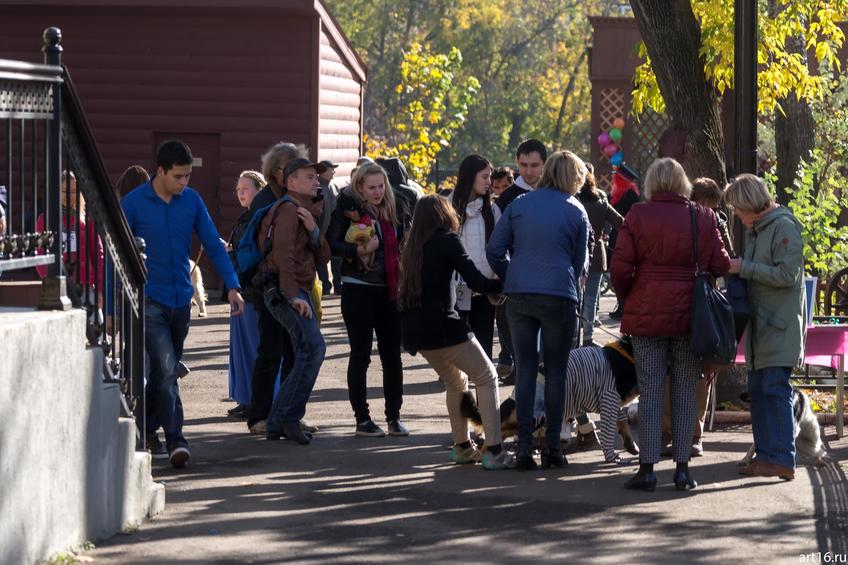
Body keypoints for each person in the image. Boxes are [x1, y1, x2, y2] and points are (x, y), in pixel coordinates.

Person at [121, 140, 245, 468]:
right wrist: (112, 306)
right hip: (148, 299)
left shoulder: (191, 201)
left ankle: (146, 428)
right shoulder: (133, 204)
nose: (184, 183)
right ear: (160, 171)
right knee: (165, 369)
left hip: (181, 300)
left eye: (188, 176)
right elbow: (116, 253)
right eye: (178, 176)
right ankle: (177, 438)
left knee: (167, 370)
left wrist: (231, 286)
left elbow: (213, 244)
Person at [611, 158, 730, 491]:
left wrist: (630, 296)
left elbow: (620, 268)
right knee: (684, 390)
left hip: (647, 312)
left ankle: (647, 469)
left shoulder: (637, 215)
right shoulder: (703, 217)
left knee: (649, 391)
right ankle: (681, 470)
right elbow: (720, 263)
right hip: (689, 316)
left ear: (651, 182)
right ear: (683, 183)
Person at [487, 150, 591, 471]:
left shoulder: (518, 205)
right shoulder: (577, 211)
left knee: (526, 368)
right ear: (573, 177)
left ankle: (523, 447)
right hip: (559, 295)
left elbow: (494, 249)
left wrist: (511, 273)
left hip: (520, 294)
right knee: (557, 371)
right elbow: (581, 263)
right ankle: (553, 448)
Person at [399, 195, 515, 469]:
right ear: (444, 214)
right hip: (445, 326)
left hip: (418, 331)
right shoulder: (448, 240)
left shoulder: (413, 245)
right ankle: (495, 450)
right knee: (487, 376)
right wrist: (505, 284)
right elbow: (475, 279)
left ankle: (462, 446)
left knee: (456, 383)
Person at [726, 174, 804, 481]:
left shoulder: (784, 227)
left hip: (779, 327)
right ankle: (768, 456)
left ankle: (782, 458)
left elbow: (788, 275)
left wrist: (744, 267)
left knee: (774, 390)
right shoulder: (759, 231)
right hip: (764, 328)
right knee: (760, 391)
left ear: (749, 204)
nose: (735, 214)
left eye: (737, 208)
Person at [327, 162, 407, 437]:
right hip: (358, 287)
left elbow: (405, 243)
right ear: (360, 187)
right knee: (360, 355)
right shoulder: (347, 208)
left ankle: (394, 416)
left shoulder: (396, 208)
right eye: (371, 187)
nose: (377, 192)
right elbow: (331, 243)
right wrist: (360, 248)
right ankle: (362, 419)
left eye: (381, 186)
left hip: (390, 289)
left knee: (392, 356)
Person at [258, 158, 330, 445]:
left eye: (316, 177)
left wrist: (313, 228)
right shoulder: (288, 210)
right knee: (313, 349)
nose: (316, 181)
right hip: (285, 290)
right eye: (310, 177)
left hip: (296, 289)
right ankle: (288, 417)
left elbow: (323, 256)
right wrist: (293, 295)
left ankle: (278, 421)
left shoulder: (304, 212)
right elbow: (283, 256)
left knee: (306, 351)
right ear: (291, 182)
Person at [661, 176, 733, 457]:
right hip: (696, 304)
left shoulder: (711, 221)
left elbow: (724, 260)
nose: (707, 210)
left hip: (683, 302)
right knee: (694, 372)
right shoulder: (706, 221)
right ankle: (689, 434)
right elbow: (725, 262)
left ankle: (677, 433)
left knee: (683, 370)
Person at [246, 142, 310, 435]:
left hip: (293, 283)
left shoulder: (298, 199)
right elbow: (273, 249)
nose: (297, 172)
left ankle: (286, 414)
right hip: (269, 286)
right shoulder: (265, 200)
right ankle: (258, 416)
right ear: (276, 172)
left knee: (294, 353)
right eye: (290, 168)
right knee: (270, 351)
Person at [451, 154, 501, 359]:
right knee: (458, 344)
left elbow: (500, 248)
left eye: (490, 177)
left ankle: (484, 389)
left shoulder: (493, 210)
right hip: (456, 289)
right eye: (484, 177)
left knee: (484, 347)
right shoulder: (448, 206)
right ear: (470, 176)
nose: (489, 182)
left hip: (485, 288)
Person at [226, 170, 267, 419]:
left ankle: (255, 399)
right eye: (238, 189)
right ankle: (244, 397)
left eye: (245, 188)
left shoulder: (260, 217)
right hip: (240, 290)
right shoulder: (245, 218)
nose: (240, 193)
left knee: (253, 347)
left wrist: (232, 253)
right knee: (239, 349)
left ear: (259, 189)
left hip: (252, 291)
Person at [36, 171, 103, 306]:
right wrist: (48, 280)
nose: (69, 195)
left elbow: (98, 255)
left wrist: (100, 289)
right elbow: (41, 254)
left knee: (91, 324)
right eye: (64, 190)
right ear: (56, 192)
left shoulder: (86, 219)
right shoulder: (45, 219)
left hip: (85, 286)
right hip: (57, 288)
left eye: (73, 191)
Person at [576, 164, 623, 347]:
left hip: (574, 253)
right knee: (590, 297)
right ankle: (588, 337)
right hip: (597, 252)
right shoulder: (602, 198)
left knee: (576, 296)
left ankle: (573, 336)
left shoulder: (572, 199)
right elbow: (620, 222)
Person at [607, 166, 641, 320]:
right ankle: (621, 305)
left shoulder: (631, 195)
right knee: (616, 273)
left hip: (625, 238)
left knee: (622, 272)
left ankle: (623, 306)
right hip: (616, 237)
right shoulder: (617, 194)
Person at [494, 139, 547, 213]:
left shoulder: (554, 193)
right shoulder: (505, 199)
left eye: (534, 165)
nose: (529, 172)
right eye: (524, 165)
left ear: (544, 164)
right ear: (517, 162)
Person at [316, 159, 339, 294]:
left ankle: (337, 285)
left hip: (333, 232)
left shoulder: (333, 187)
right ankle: (325, 286)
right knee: (321, 260)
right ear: (324, 171)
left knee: (336, 258)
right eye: (332, 169)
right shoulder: (317, 188)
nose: (334, 171)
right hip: (320, 232)